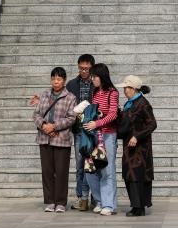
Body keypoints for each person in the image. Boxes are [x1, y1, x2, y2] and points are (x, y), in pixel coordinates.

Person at [32, 66, 77, 213]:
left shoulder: (70, 97)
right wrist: (44, 126)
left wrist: (54, 127)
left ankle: (61, 202)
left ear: (64, 81)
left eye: (59, 79)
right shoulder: (44, 95)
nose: (55, 81)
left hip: (61, 139)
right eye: (53, 78)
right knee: (47, 171)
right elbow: (36, 114)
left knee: (61, 171)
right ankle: (50, 201)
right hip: (44, 138)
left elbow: (71, 118)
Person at [82, 62, 120, 215]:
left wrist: (97, 123)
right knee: (91, 169)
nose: (93, 79)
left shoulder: (113, 93)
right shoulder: (95, 93)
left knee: (107, 170)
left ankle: (109, 205)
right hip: (94, 136)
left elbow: (113, 114)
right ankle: (100, 200)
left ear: (102, 76)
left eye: (95, 76)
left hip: (108, 135)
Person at [117, 74, 157, 216]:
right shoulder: (130, 104)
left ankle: (139, 207)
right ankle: (136, 205)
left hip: (140, 148)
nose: (124, 90)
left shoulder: (143, 103)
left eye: (126, 88)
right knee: (129, 176)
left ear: (133, 88)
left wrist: (137, 136)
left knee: (137, 176)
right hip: (129, 147)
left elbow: (152, 124)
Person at [66, 53, 95, 210]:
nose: (84, 71)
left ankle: (95, 198)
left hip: (94, 130)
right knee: (79, 165)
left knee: (94, 164)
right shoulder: (71, 84)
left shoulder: (96, 83)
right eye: (81, 68)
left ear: (92, 68)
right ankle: (80, 198)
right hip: (78, 130)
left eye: (87, 68)